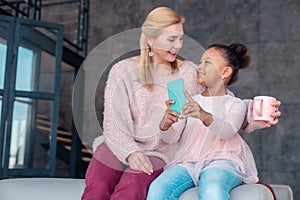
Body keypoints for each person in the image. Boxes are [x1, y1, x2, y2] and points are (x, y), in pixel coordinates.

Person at [81, 7, 281, 200]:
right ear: (151, 39)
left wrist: (255, 113)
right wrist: (130, 152)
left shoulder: (188, 72)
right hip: (119, 143)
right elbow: (114, 121)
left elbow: (219, 97)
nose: (178, 45)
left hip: (160, 151)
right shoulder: (122, 70)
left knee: (132, 187)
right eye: (171, 39)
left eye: (180, 38)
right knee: (98, 185)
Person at [146, 43, 267, 200]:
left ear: (225, 72)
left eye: (207, 63)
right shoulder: (191, 100)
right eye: (200, 62)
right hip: (188, 162)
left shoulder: (235, 104)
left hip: (222, 161)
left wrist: (204, 116)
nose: (199, 67)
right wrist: (166, 125)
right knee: (158, 187)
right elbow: (172, 138)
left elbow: (228, 131)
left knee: (212, 188)